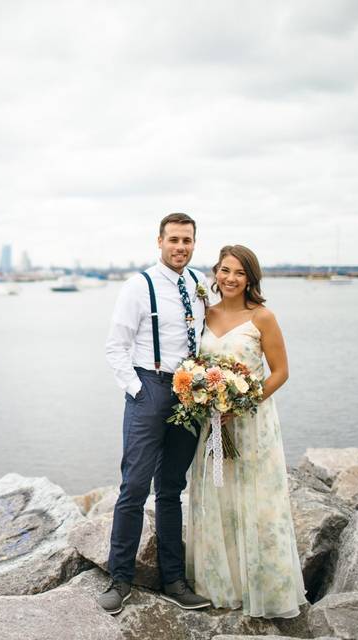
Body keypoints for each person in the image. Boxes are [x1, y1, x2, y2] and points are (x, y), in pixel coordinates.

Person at [98, 213, 212, 614]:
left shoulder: (199, 285)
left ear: (194, 243)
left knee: (171, 489)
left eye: (187, 240)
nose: (181, 247)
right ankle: (120, 579)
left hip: (190, 394)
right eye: (174, 240)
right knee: (133, 488)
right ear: (159, 242)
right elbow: (116, 346)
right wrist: (138, 391)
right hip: (151, 387)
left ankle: (173, 580)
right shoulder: (138, 286)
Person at [186, 244, 307, 619]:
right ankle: (221, 585)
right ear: (216, 273)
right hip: (211, 425)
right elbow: (193, 364)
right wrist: (207, 399)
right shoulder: (204, 314)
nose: (230, 278)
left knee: (256, 500)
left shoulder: (263, 317)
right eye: (225, 270)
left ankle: (266, 589)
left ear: (251, 279)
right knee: (217, 498)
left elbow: (280, 372)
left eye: (239, 273)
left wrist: (240, 405)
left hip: (252, 424)